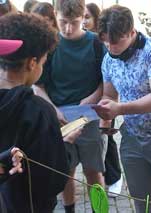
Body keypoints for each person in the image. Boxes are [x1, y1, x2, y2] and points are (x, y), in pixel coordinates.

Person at [93, 5, 151, 213]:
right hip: (132, 138)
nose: (110, 47)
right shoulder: (109, 58)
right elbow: (109, 95)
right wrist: (104, 125)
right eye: (106, 41)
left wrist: (119, 109)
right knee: (140, 202)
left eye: (116, 42)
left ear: (132, 33)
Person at [0, 14, 81, 213]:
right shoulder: (38, 111)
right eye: (44, 61)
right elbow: (52, 180)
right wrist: (67, 145)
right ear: (32, 63)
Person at [34, 0, 107, 212]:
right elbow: (39, 87)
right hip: (59, 118)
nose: (67, 28)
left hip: (88, 119)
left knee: (94, 172)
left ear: (83, 16)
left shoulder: (96, 44)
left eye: (74, 23)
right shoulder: (50, 44)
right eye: (63, 22)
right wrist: (53, 110)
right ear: (55, 15)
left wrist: (94, 96)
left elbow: (107, 81)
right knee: (66, 172)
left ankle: (99, 210)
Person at [82, 2, 123, 196]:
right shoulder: (86, 41)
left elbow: (109, 86)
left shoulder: (101, 45)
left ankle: (114, 177)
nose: (83, 22)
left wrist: (100, 100)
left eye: (87, 17)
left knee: (107, 140)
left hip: (105, 101)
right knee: (100, 143)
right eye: (81, 17)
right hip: (95, 103)